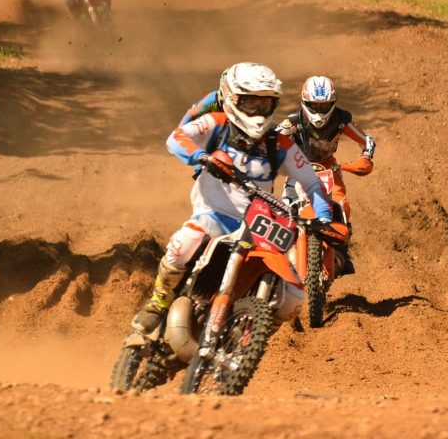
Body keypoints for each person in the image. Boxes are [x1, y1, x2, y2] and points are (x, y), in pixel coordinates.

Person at [132, 63, 333, 334]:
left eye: (265, 104)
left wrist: (322, 217)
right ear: (232, 98)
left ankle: (249, 333)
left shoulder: (278, 142)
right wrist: (200, 157)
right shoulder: (216, 119)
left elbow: (311, 181)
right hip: (214, 209)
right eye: (250, 103)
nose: (258, 111)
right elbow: (178, 135)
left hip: (257, 221)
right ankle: (158, 302)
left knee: (293, 295)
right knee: (184, 243)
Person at [278, 75, 376, 274]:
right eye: (314, 106)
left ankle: (342, 251)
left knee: (342, 205)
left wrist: (366, 157)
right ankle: (279, 253)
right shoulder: (293, 121)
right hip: (299, 165)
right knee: (285, 209)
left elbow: (367, 141)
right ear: (305, 103)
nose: (319, 111)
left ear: (333, 103)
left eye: (324, 106)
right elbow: (271, 138)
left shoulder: (342, 120)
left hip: (329, 167)